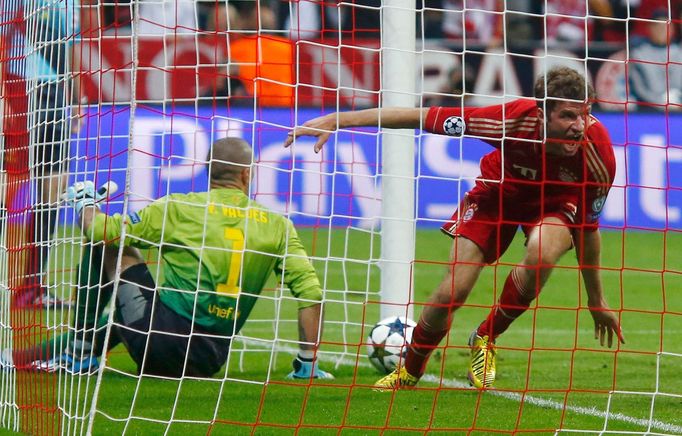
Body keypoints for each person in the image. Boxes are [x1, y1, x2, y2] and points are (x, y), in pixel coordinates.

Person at [285, 66, 624, 389]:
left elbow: (587, 231)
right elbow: (416, 117)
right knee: (454, 290)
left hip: (555, 204)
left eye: (584, 114)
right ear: (542, 113)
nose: (579, 126)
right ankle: (410, 371)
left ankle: (486, 336)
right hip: (499, 193)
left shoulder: (598, 153)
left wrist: (597, 300)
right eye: (567, 116)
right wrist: (339, 120)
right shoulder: (507, 120)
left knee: (542, 252)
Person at [7, 137, 334, 380]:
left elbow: (100, 231)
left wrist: (85, 204)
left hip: (156, 342)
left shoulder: (180, 207)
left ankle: (78, 354)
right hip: (208, 361)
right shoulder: (279, 225)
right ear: (248, 175)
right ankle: (46, 354)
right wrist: (307, 363)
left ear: (207, 172)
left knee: (111, 245)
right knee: (125, 318)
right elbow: (311, 294)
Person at [1, 0, 84, 308]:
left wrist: (75, 97)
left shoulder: (70, 4)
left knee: (54, 186)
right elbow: (3, 38)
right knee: (9, 185)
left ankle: (32, 286)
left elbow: (68, 48)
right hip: (20, 87)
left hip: (54, 95)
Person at [628, 8, 682, 110]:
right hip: (649, 111)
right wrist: (660, 103)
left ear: (673, 28)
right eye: (657, 25)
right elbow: (638, 88)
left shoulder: (680, 52)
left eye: (666, 25)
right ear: (649, 28)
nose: (662, 29)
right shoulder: (639, 54)